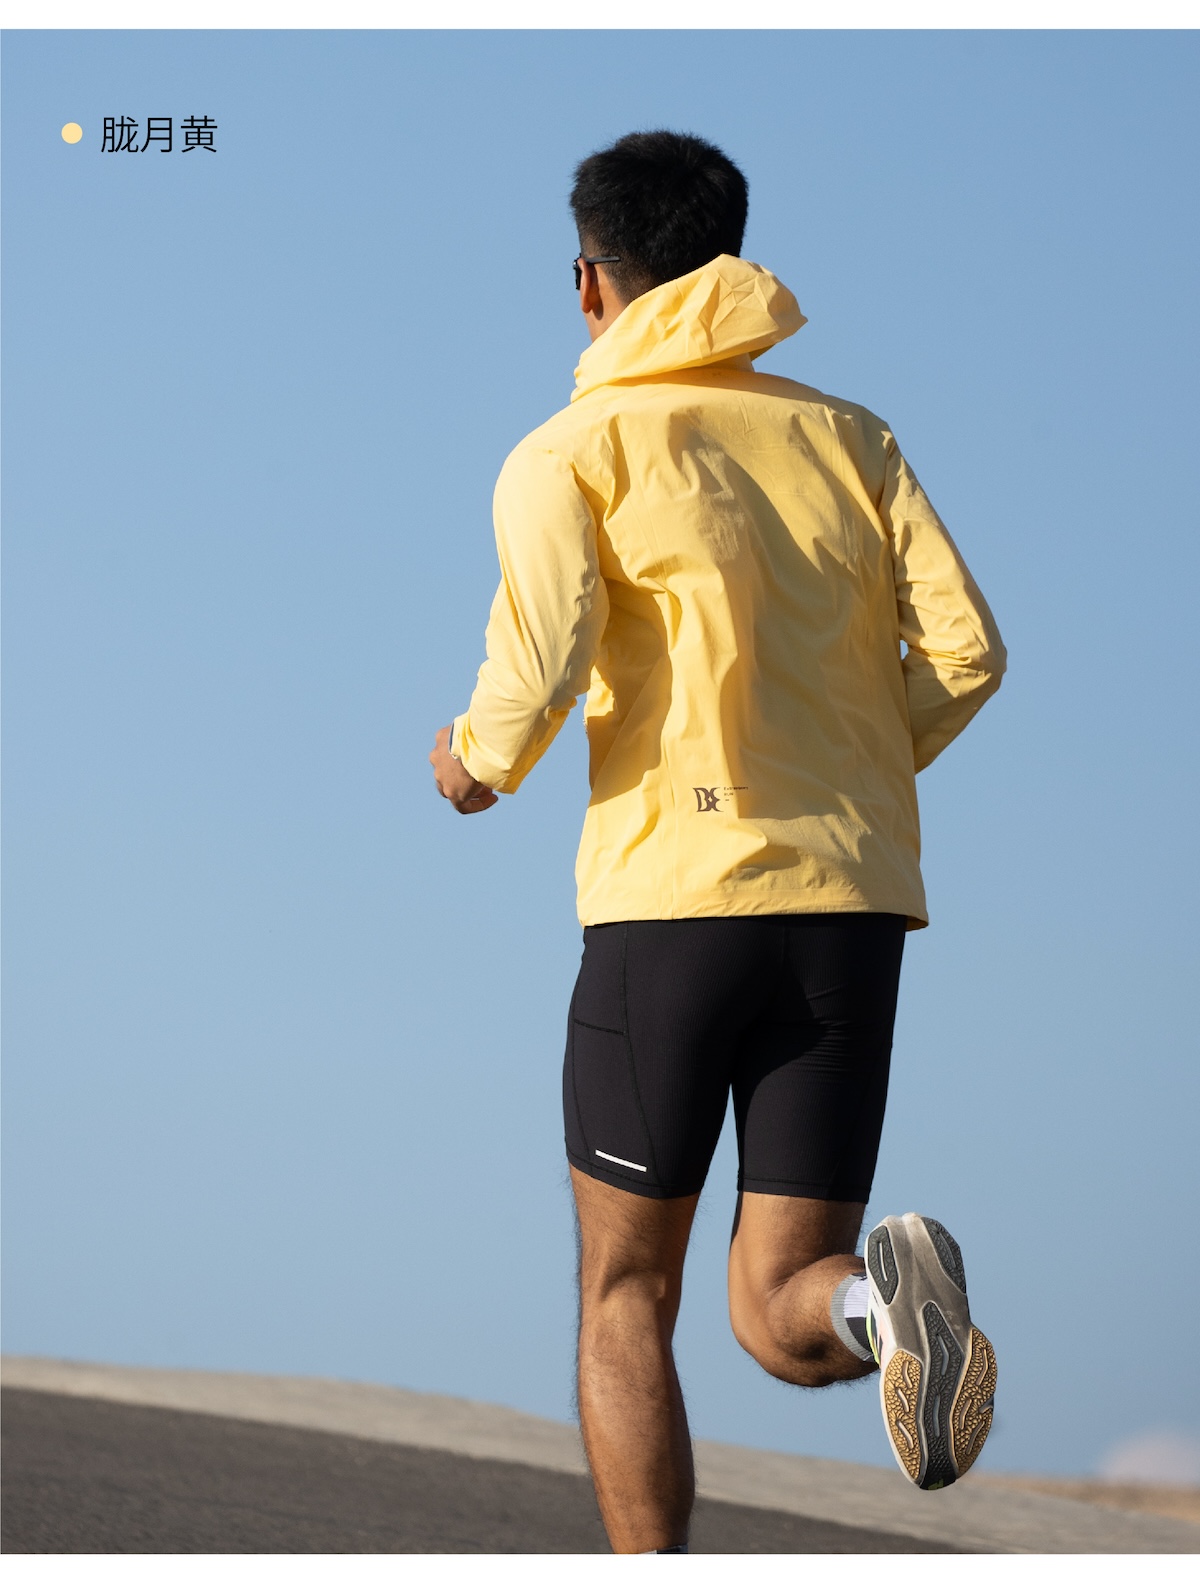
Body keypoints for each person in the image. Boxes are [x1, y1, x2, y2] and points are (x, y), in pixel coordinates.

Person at [429, 129, 1005, 1555]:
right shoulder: (852, 438)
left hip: (671, 909)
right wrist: (847, 772)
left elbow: (541, 662)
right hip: (849, 912)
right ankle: (883, 1309)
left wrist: (474, 764)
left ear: (589, 280)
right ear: (731, 257)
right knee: (781, 1306)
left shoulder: (568, 449)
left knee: (628, 1294)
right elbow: (969, 653)